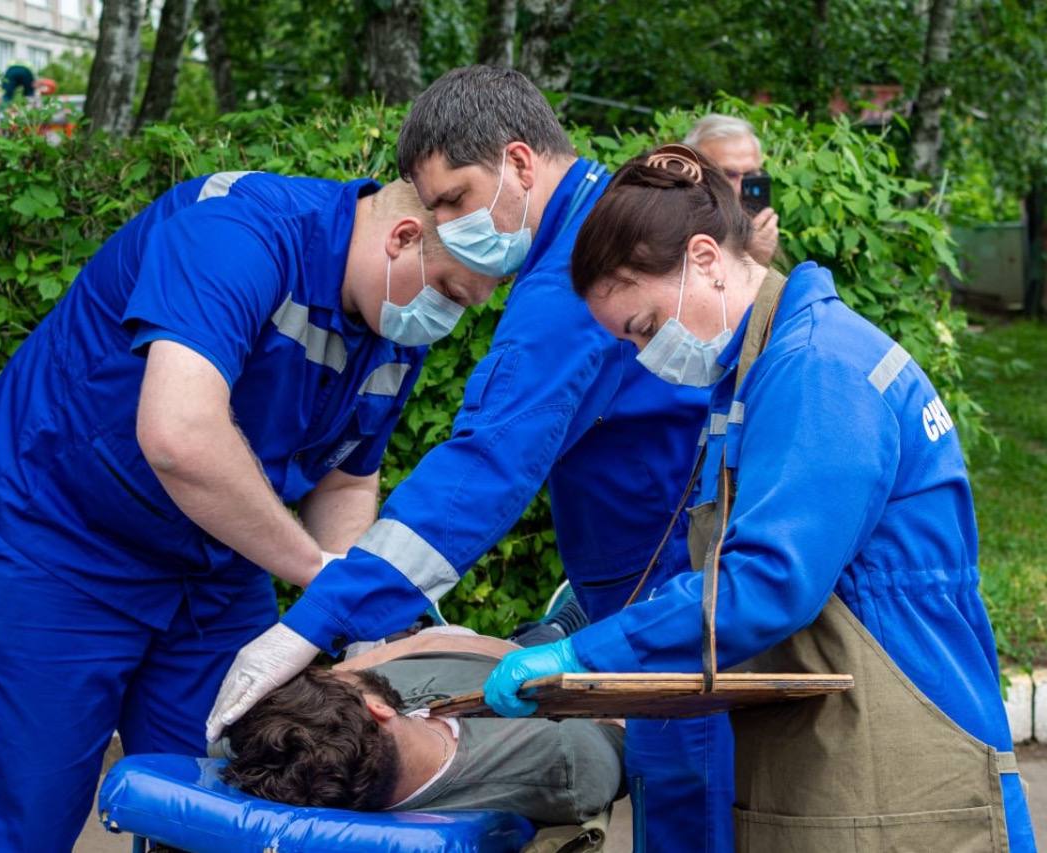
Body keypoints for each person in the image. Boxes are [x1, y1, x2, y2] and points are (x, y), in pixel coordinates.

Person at [208, 67, 735, 852]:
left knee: (694, 820)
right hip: (657, 602)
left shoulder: (576, 279)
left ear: (520, 163)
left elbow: (486, 467)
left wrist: (316, 622)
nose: (447, 227)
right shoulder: (600, 238)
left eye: (453, 198)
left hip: (676, 610)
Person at [482, 144, 1038, 852]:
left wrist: (588, 657)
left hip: (903, 777)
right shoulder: (760, 375)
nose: (647, 354)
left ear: (707, 259)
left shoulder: (816, 370)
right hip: (854, 761)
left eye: (646, 327)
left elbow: (767, 581)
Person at [0, 172, 497, 852]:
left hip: (217, 559)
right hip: (64, 533)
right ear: (404, 237)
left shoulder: (396, 329)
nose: (449, 318)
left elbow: (347, 484)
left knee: (238, 792)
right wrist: (329, 582)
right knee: (22, 806)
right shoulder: (238, 234)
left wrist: (362, 635)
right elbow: (180, 438)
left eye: (467, 304)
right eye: (448, 291)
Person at [223, 630, 625, 826]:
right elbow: (619, 713)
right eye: (337, 674)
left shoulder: (334, 751)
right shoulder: (565, 761)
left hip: (473, 647)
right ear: (378, 708)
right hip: (556, 655)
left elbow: (424, 642)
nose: (343, 669)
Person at [684, 114, 778, 265]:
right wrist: (751, 259)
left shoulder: (758, 228)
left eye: (750, 174)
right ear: (692, 172)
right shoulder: (672, 221)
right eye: (728, 174)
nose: (741, 188)